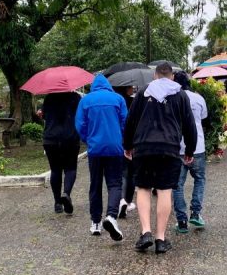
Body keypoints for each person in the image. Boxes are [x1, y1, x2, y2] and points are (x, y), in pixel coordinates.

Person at [123, 63, 197, 254]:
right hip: (169, 148)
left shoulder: (143, 93)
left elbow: (131, 121)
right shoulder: (180, 95)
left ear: (155, 76)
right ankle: (160, 239)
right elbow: (189, 125)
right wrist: (190, 150)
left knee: (144, 188)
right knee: (165, 191)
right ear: (171, 76)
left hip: (144, 146)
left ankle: (146, 231)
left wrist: (127, 145)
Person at [75, 74, 127, 241]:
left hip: (95, 149)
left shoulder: (85, 100)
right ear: (108, 85)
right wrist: (121, 138)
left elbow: (80, 125)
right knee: (114, 184)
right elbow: (126, 122)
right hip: (115, 148)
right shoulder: (118, 99)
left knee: (95, 185)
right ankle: (111, 216)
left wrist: (88, 139)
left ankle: (95, 222)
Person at [171, 72, 210, 234]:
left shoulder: (172, 99)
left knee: (177, 185)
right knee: (199, 179)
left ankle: (181, 221)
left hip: (177, 148)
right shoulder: (198, 98)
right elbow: (204, 118)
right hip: (197, 147)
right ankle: (195, 213)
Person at [40, 92, 82, 214]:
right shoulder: (75, 97)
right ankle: (66, 193)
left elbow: (45, 116)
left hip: (50, 139)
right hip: (70, 138)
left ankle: (57, 203)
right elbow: (80, 116)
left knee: (55, 170)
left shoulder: (49, 97)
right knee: (70, 169)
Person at [114, 85, 137, 218]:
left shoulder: (115, 100)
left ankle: (121, 200)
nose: (132, 88)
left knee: (122, 173)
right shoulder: (132, 101)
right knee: (131, 173)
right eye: (130, 86)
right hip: (132, 140)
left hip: (118, 140)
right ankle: (127, 201)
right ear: (125, 88)